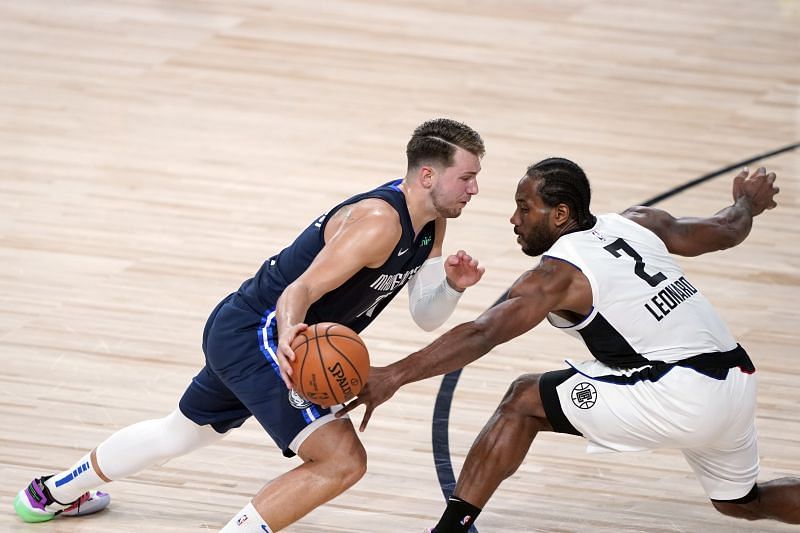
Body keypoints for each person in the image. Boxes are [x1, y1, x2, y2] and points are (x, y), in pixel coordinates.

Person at [13, 118, 487, 532]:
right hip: (260, 331)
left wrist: (451, 285)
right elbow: (295, 292)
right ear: (428, 175)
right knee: (342, 460)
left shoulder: (430, 224)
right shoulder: (379, 222)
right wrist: (286, 339)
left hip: (242, 328)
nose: (474, 189)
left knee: (181, 433)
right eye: (466, 177)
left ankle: (49, 494)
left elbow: (426, 315)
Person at [340, 158, 800, 530]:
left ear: (560, 214)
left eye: (525, 207)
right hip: (737, 381)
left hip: (682, 392)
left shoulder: (557, 276)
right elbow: (726, 229)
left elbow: (483, 334)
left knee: (523, 399)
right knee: (743, 501)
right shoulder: (638, 222)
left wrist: (392, 375)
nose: (515, 219)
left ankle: (449, 530)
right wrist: (747, 201)